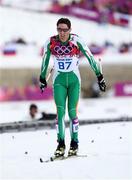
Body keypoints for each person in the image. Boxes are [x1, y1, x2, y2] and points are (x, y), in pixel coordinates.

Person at [39, 18, 106, 157]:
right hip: (59, 81)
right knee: (60, 114)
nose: (62, 33)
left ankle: (74, 143)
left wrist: (99, 76)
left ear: (70, 30)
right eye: (59, 29)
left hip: (74, 81)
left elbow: (90, 57)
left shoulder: (77, 41)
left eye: (65, 30)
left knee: (72, 113)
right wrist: (42, 78)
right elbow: (45, 61)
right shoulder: (51, 42)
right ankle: (61, 144)